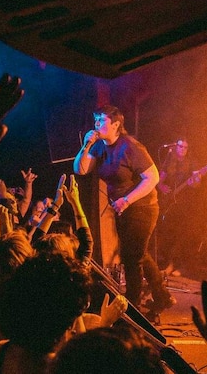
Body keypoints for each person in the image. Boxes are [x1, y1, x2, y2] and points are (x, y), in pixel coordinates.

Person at [73, 105, 174, 321]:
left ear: (116, 124)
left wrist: (127, 200)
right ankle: (162, 295)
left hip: (142, 208)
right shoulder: (100, 146)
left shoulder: (131, 147)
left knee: (131, 258)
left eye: (102, 120)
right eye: (96, 120)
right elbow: (81, 170)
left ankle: (133, 307)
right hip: (122, 209)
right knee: (138, 253)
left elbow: (153, 177)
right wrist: (86, 146)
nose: (97, 125)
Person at [155, 137, 207, 278]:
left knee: (182, 235)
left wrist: (195, 180)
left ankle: (179, 265)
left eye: (185, 147)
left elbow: (196, 184)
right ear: (175, 147)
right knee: (168, 234)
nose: (183, 150)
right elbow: (160, 178)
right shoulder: (169, 159)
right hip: (170, 202)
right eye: (180, 146)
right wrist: (161, 186)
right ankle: (168, 264)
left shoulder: (192, 162)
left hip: (185, 204)